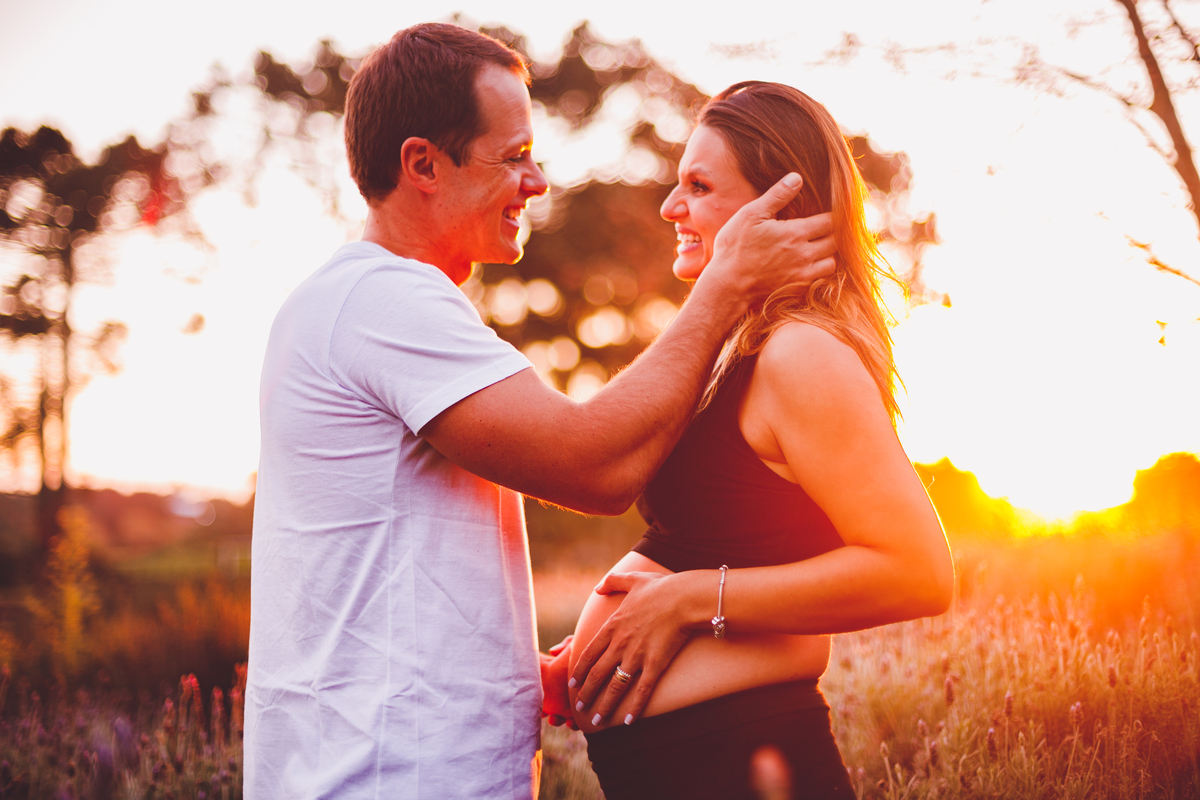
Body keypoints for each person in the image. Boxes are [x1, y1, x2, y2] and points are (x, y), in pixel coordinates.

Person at [244, 24, 838, 800]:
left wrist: (518, 671)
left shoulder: (364, 302)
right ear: (422, 163)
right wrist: (725, 290)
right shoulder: (383, 299)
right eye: (513, 156)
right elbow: (596, 468)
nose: (537, 182)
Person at [550, 82, 955, 799]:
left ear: (779, 208)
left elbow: (918, 570)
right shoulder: (738, 350)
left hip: (747, 764)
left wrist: (681, 603)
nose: (672, 208)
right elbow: (745, 538)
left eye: (699, 187)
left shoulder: (802, 354)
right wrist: (602, 651)